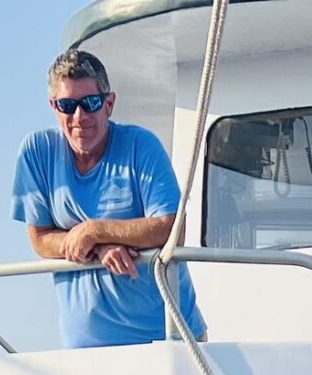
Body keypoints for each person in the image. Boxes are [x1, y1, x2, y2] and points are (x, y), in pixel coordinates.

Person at [15, 49, 204, 350]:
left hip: (169, 341)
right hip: (86, 353)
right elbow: (40, 239)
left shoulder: (141, 145)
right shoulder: (37, 151)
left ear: (109, 103)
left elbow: (172, 229)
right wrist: (99, 247)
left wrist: (95, 231)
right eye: (67, 105)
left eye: (90, 103)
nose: (80, 117)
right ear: (54, 106)